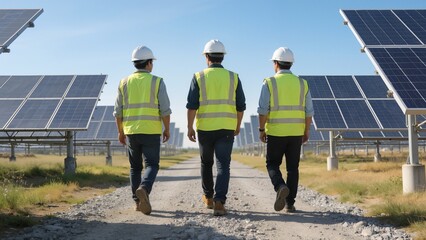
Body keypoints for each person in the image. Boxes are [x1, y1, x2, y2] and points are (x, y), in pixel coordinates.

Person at [186, 39, 246, 216]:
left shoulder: (198, 77)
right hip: (226, 128)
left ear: (206, 57)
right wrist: (237, 125)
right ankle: (220, 201)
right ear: (223, 57)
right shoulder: (233, 77)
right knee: (223, 165)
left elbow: (191, 105)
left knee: (206, 163)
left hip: (205, 128)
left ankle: (208, 197)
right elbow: (240, 106)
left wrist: (190, 127)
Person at [114, 45, 171, 215]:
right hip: (151, 131)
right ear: (148, 63)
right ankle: (144, 188)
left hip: (131, 131)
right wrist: (166, 129)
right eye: (151, 62)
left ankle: (137, 203)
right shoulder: (157, 81)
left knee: (134, 168)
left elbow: (118, 112)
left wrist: (120, 131)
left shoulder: (124, 82)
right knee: (152, 164)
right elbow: (165, 109)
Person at [257, 47, 314, 213]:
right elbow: (309, 111)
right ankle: (290, 203)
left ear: (275, 64)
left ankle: (280, 186)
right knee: (292, 168)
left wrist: (261, 129)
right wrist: (306, 130)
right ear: (291, 64)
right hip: (296, 132)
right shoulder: (303, 84)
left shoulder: (269, 82)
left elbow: (263, 110)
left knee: (272, 164)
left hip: (275, 132)